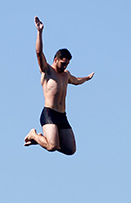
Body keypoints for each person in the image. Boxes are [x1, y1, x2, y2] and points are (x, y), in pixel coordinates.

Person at [23, 16, 94, 156]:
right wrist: (39, 32)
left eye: (67, 64)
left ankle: (42, 140)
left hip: (62, 115)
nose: (65, 66)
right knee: (53, 146)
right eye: (63, 63)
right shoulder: (47, 70)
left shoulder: (65, 75)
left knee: (70, 150)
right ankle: (34, 135)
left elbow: (76, 80)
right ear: (55, 59)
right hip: (49, 113)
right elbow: (38, 53)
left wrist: (87, 78)